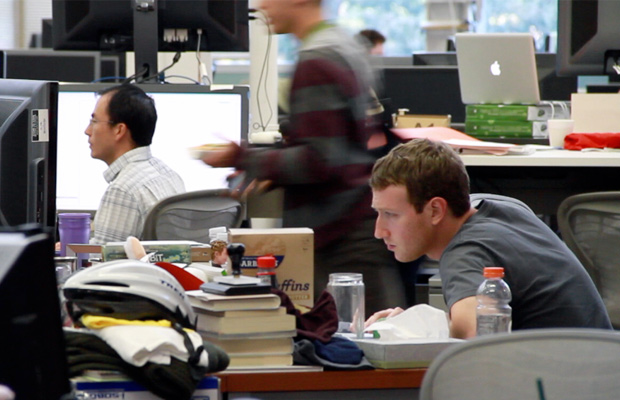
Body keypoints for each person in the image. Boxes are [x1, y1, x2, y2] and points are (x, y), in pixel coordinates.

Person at [202, 0, 407, 316]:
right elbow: (337, 145)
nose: (261, 5)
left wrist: (242, 156)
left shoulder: (315, 61)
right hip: (357, 221)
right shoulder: (343, 45)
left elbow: (319, 160)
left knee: (356, 343)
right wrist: (272, 168)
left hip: (340, 234)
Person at [367, 139, 612, 338]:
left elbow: (472, 341)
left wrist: (411, 331)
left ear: (435, 211)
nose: (379, 231)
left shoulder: (465, 252)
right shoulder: (505, 207)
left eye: (391, 215)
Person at [86, 84, 185, 244]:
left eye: (94, 121)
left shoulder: (123, 189)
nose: (87, 130)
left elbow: (105, 265)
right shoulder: (168, 174)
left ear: (119, 130)